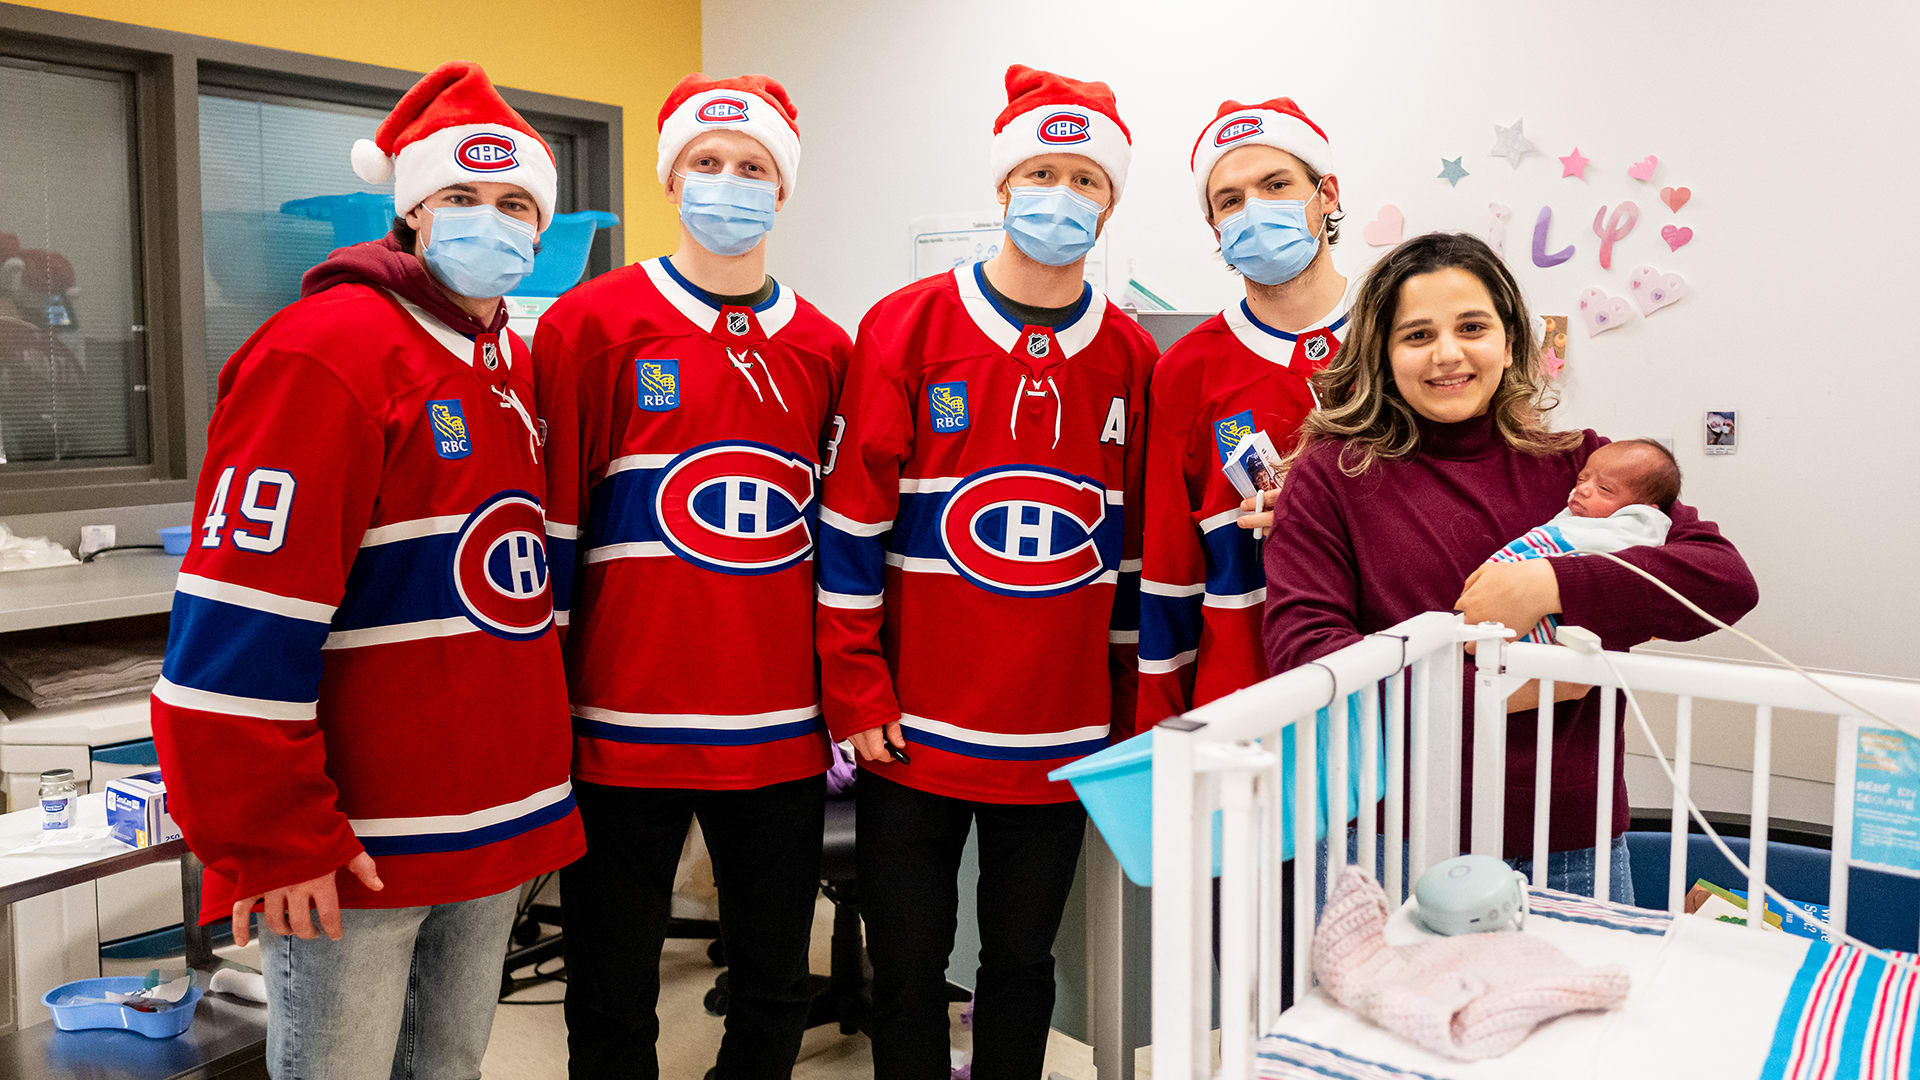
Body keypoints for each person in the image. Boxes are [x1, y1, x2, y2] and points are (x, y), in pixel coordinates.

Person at [151, 61, 583, 1079]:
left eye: (517, 202)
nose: (492, 221)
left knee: (450, 1067)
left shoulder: (507, 359)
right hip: (358, 839)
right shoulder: (325, 352)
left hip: (492, 822)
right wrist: (274, 834)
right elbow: (237, 622)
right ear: (412, 210)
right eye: (462, 196)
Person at [815, 64, 1157, 1080]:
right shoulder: (907, 325)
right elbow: (851, 523)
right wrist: (856, 685)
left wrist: (1127, 707)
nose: (1062, 195)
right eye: (1042, 173)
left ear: (1110, 203)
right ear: (1005, 185)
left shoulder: (1132, 355)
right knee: (909, 968)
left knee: (1020, 963)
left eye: (1086, 179)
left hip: (1059, 732)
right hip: (912, 727)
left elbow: (1137, 557)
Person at [1263, 232, 1758, 900]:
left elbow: (1723, 580)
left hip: (1568, 841)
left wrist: (1549, 583)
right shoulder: (1333, 476)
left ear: (1510, 340)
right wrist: (1493, 693)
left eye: (1472, 327)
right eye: (1417, 335)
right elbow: (1305, 653)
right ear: (1381, 353)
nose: (1447, 354)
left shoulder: (1583, 468)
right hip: (1390, 837)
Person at [534, 72, 849, 1080]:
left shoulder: (825, 346)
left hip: (778, 724)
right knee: (610, 982)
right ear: (671, 178)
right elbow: (551, 533)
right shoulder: (590, 326)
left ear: (782, 188)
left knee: (774, 978)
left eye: (752, 166)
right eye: (707, 162)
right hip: (623, 719)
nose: (729, 181)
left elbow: (841, 536)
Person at [1137, 97, 1354, 729]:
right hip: (1239, 711)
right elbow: (1169, 572)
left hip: (1387, 700)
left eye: (1276, 185)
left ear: (1327, 194)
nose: (1253, 209)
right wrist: (1161, 733)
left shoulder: (1402, 339)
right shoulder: (1187, 370)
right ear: (1215, 229)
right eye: (1230, 200)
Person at [1485, 438, 1683, 643]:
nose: (1583, 489)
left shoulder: (1627, 535)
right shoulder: (1576, 520)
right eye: (1581, 480)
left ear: (1637, 511)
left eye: (1604, 489)